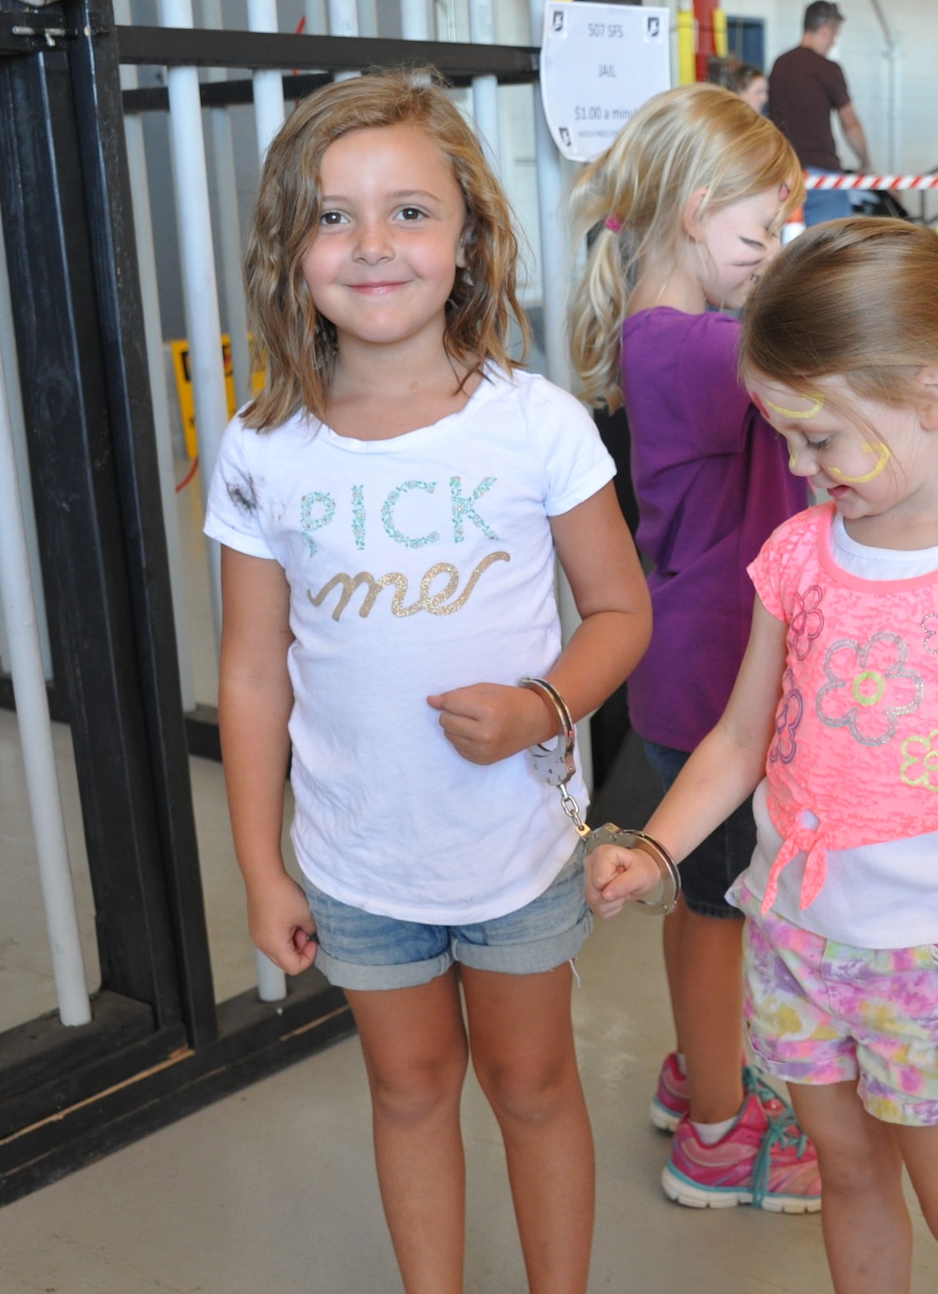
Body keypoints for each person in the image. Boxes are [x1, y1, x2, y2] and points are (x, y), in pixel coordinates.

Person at [210, 69, 651, 1292]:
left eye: (408, 211)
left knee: (531, 1081)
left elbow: (620, 611)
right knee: (408, 1089)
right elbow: (252, 671)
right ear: (288, 249)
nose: (371, 245)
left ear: (466, 239)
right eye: (332, 215)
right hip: (360, 859)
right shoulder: (261, 449)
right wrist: (261, 864)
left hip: (510, 847)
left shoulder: (534, 423)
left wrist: (544, 705)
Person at [589, 218, 938, 1293]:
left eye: (820, 438)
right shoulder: (801, 554)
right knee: (849, 1178)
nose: (799, 466)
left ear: (928, 392)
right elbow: (737, 739)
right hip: (794, 943)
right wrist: (656, 847)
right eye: (784, 436)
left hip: (930, 966)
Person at [566, 83, 821, 1213]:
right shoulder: (694, 349)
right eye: (758, 235)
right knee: (716, 914)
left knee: (710, 902)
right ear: (696, 209)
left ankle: (698, 1069)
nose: (768, 258)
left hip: (699, 668)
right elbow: (820, 369)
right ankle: (717, 1130)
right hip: (717, 673)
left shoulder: (665, 335)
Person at [768, 0, 871, 228]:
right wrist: (866, 163)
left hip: (784, 174)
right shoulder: (829, 69)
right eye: (835, 35)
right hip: (821, 177)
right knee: (831, 253)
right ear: (826, 31)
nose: (833, 42)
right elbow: (850, 123)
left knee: (791, 250)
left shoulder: (779, 65)